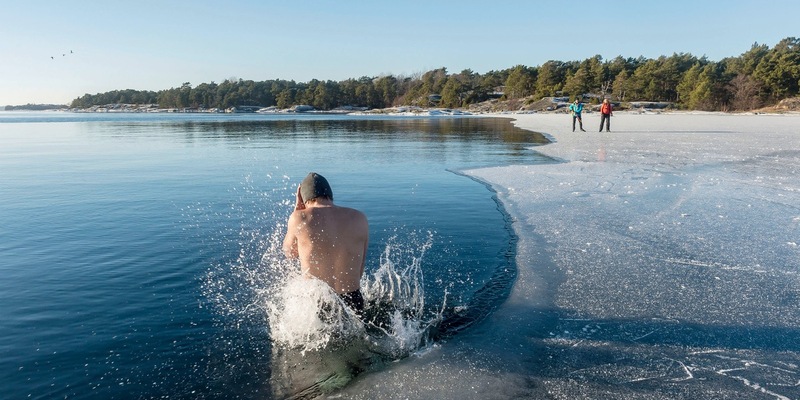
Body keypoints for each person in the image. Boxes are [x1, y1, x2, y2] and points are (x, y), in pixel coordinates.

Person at [283, 172, 369, 314]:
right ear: (330, 195)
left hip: (319, 301)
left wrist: (297, 209)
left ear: (304, 199)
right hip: (354, 299)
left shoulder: (300, 217)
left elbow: (290, 253)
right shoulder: (359, 218)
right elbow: (359, 271)